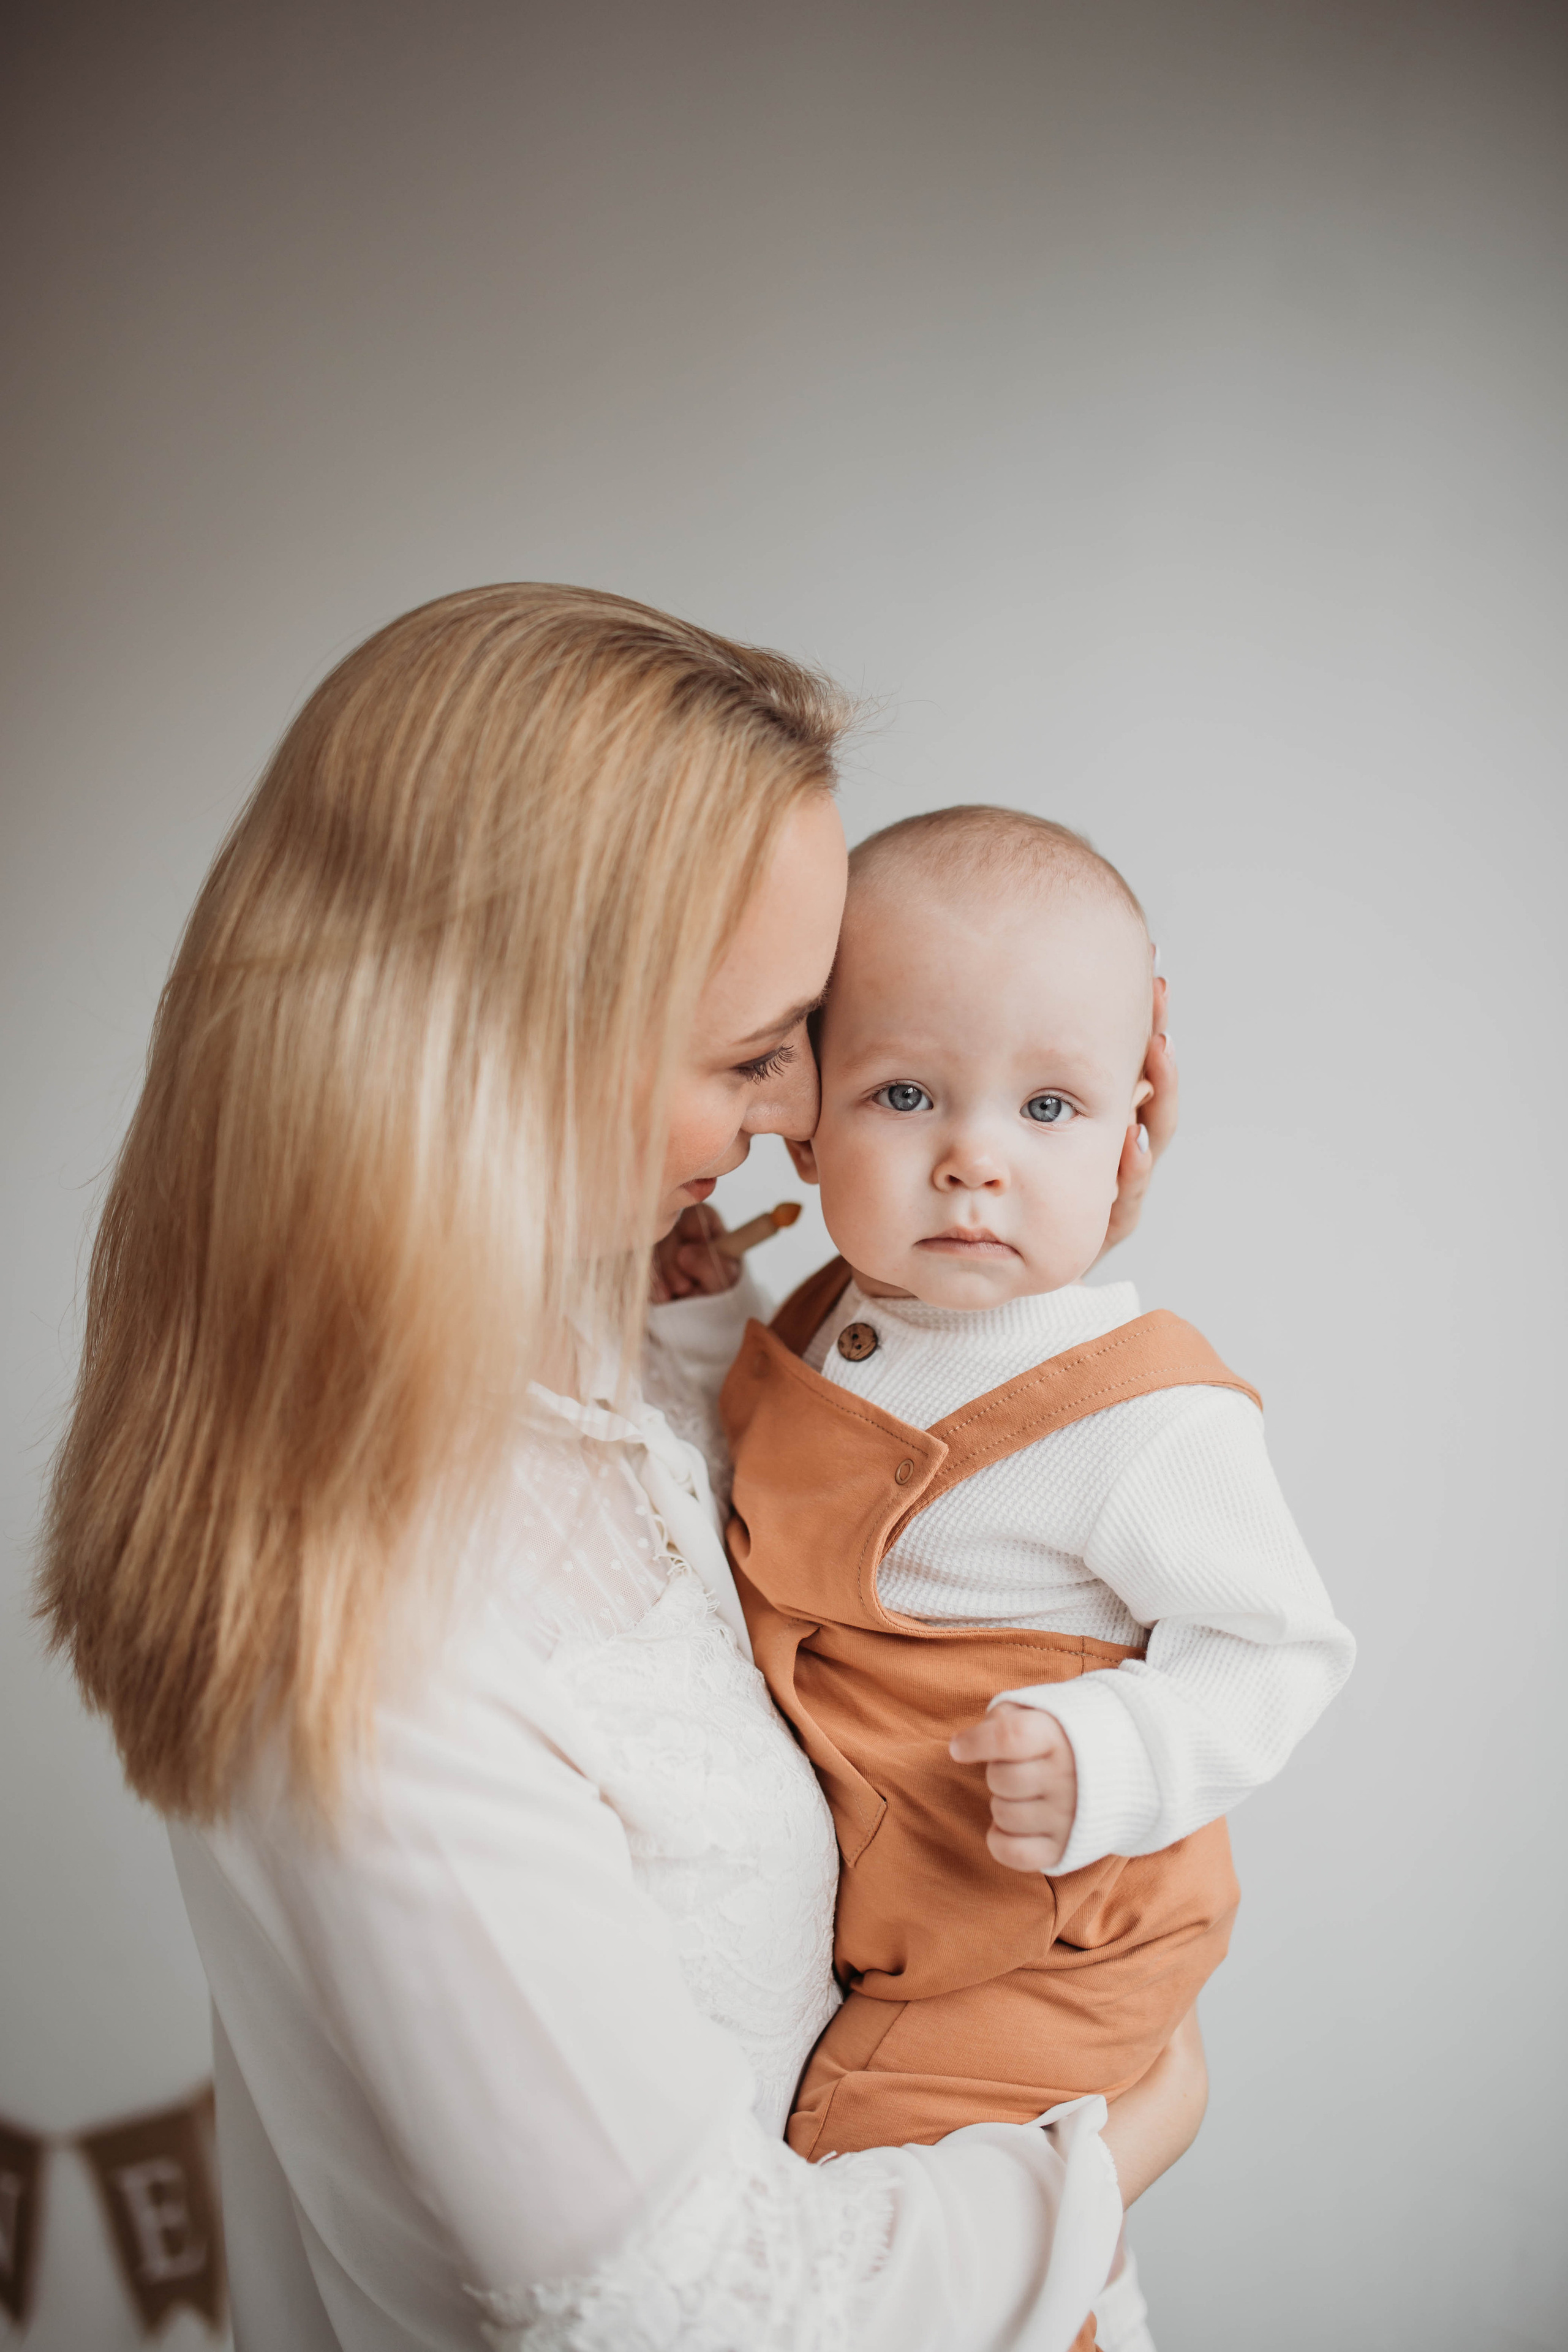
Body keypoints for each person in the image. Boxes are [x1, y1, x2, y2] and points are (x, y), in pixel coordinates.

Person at [40, 587, 1194, 2352]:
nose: (798, 1113)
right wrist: (1114, 2149)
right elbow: (689, 2308)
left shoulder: (617, 1355)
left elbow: (872, 1546)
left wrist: (1031, 1234)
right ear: (499, 1048)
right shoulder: (388, 1627)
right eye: (750, 1054)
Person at [718, 807, 1354, 2218]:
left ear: (1132, 1130)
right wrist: (703, 1306)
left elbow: (1277, 1649)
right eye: (903, 1094)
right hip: (915, 1901)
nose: (972, 1159)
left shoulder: (1141, 1416)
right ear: (803, 1121)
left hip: (1051, 1939)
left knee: (870, 2190)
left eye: (1048, 1108)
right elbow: (752, 1448)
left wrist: (1114, 1749)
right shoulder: (829, 1313)